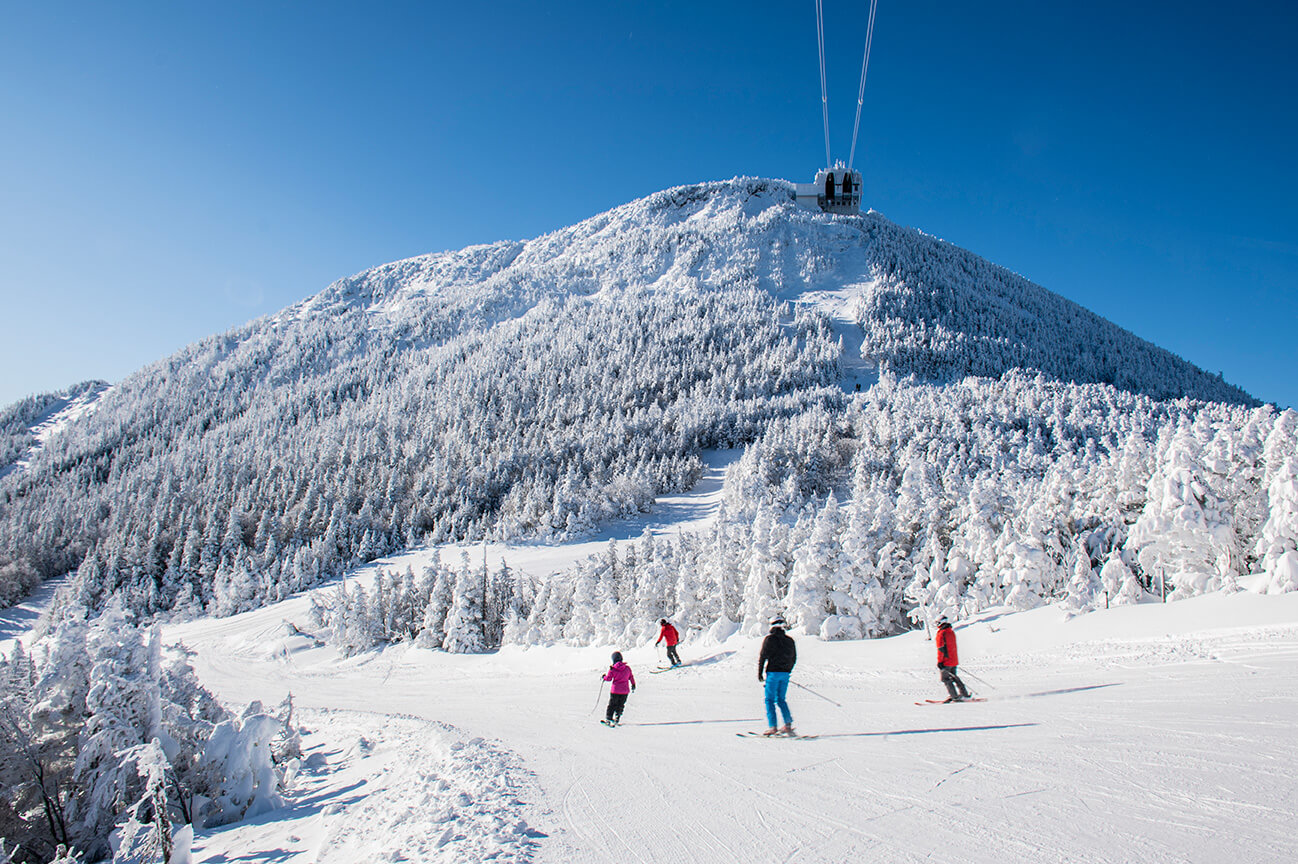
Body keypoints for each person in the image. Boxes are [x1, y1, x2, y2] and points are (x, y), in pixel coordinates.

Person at [757, 616, 796, 736]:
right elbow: (793, 658)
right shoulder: (790, 640)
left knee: (769, 700)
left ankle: (773, 727)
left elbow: (763, 656)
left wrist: (760, 673)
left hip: (773, 673)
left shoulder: (769, 639)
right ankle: (787, 725)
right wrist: (788, 670)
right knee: (781, 699)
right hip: (785, 674)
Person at [935, 618, 972, 702]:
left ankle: (954, 696)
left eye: (937, 622)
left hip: (946, 661)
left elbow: (941, 649)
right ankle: (964, 694)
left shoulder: (941, 633)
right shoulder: (951, 632)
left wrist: (940, 661)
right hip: (953, 660)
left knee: (945, 679)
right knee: (954, 677)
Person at [601, 651, 636, 726]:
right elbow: (631, 677)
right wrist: (633, 684)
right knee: (620, 705)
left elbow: (609, 678)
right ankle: (617, 717)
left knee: (612, 705)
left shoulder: (613, 669)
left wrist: (604, 677)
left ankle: (608, 718)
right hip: (625, 691)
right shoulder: (627, 668)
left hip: (615, 690)